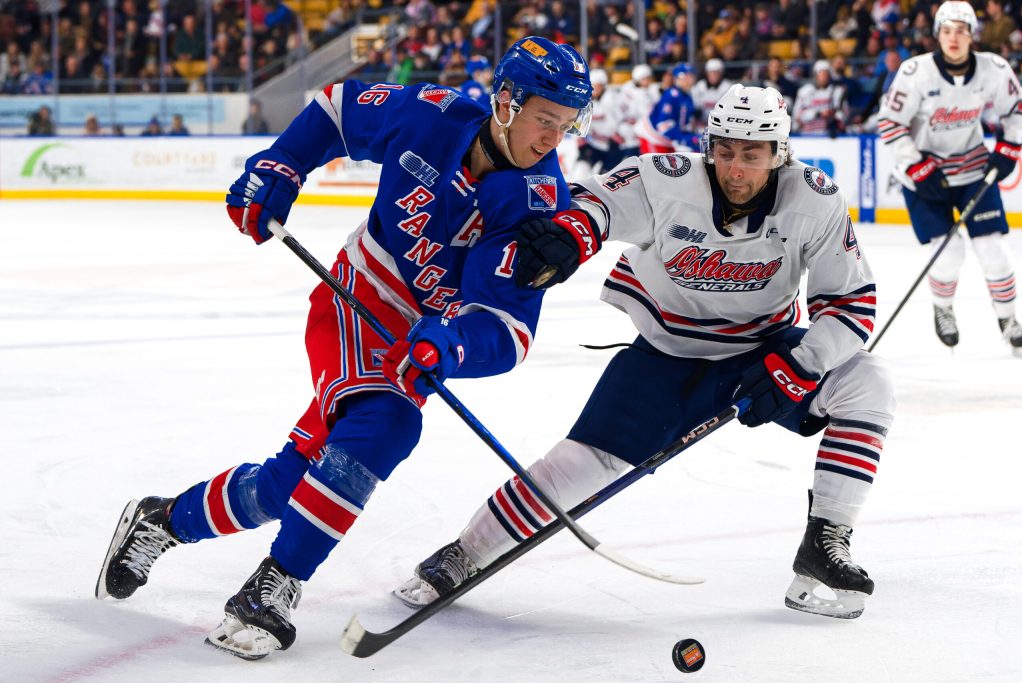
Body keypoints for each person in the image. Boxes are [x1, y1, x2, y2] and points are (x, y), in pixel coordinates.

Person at [94, 36, 593, 661]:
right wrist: (280, 166)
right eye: (544, 119)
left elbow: (508, 330)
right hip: (355, 296)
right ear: (506, 101)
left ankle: (163, 520)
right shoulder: (431, 114)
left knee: (293, 483)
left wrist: (455, 343)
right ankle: (272, 589)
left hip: (417, 344)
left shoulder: (533, 202)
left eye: (566, 126)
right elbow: (335, 108)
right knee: (386, 425)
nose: (553, 138)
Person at [394, 84, 896, 621]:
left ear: (779, 153)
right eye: (725, 150)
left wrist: (800, 367)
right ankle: (464, 553)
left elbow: (849, 302)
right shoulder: (670, 180)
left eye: (751, 155)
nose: (734, 170)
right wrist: (573, 234)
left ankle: (824, 541)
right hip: (664, 357)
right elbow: (595, 201)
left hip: (762, 354)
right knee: (577, 467)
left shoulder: (815, 200)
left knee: (868, 384)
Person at [876, 0, 1022, 351]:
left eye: (961, 30)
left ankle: (1008, 317)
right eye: (946, 31)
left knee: (992, 250)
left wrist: (1008, 148)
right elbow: (890, 122)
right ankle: (943, 308)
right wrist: (916, 164)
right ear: (936, 35)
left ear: (972, 35)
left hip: (973, 170)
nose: (953, 38)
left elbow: (1016, 108)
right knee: (949, 252)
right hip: (925, 176)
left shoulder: (994, 68)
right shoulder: (915, 73)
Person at [636, 62, 698, 154]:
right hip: (653, 136)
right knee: (656, 167)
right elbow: (663, 126)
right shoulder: (671, 95)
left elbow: (686, 122)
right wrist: (683, 138)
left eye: (692, 75)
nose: (692, 79)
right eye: (688, 76)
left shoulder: (687, 96)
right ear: (679, 78)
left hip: (668, 139)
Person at [792, 59, 848, 137]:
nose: (823, 76)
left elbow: (844, 115)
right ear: (815, 75)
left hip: (830, 133)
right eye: (821, 73)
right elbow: (797, 115)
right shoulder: (805, 91)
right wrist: (818, 114)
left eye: (826, 73)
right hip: (808, 134)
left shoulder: (837, 92)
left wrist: (832, 116)